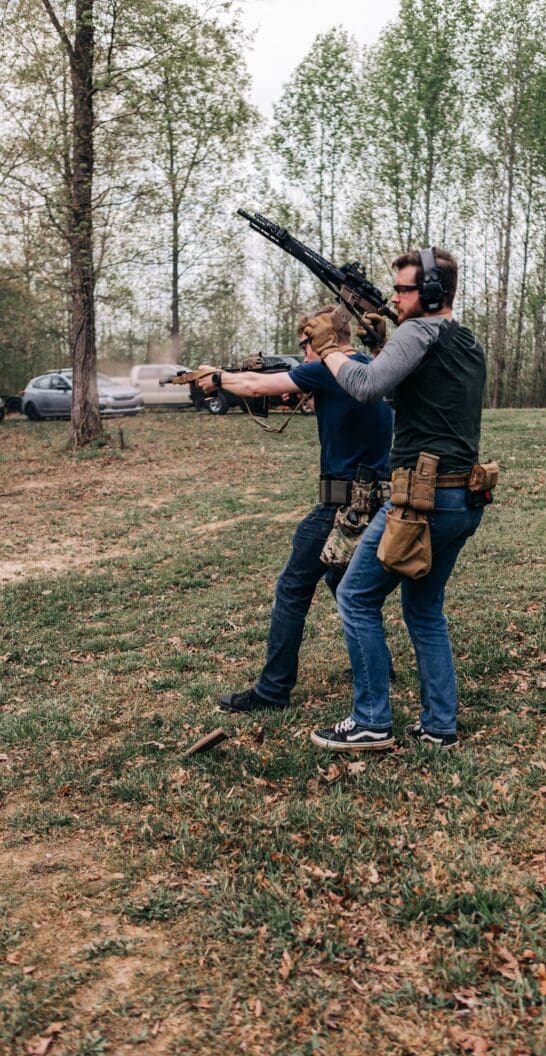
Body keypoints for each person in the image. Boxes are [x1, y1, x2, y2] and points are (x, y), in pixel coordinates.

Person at [302, 248, 487, 751]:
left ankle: (371, 721)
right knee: (425, 610)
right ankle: (439, 726)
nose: (393, 298)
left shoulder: (418, 332)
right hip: (461, 500)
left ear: (429, 293)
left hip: (418, 502)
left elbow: (363, 386)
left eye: (404, 289)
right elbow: (412, 397)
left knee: (355, 597)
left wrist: (331, 349)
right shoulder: (465, 341)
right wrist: (386, 348)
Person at [197, 308, 393, 713]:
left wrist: (216, 378)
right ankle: (379, 666)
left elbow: (252, 385)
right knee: (344, 584)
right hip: (373, 500)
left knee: (292, 588)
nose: (302, 352)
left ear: (317, 342)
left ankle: (272, 691)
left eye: (304, 344)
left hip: (340, 506)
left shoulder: (325, 369)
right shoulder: (373, 368)